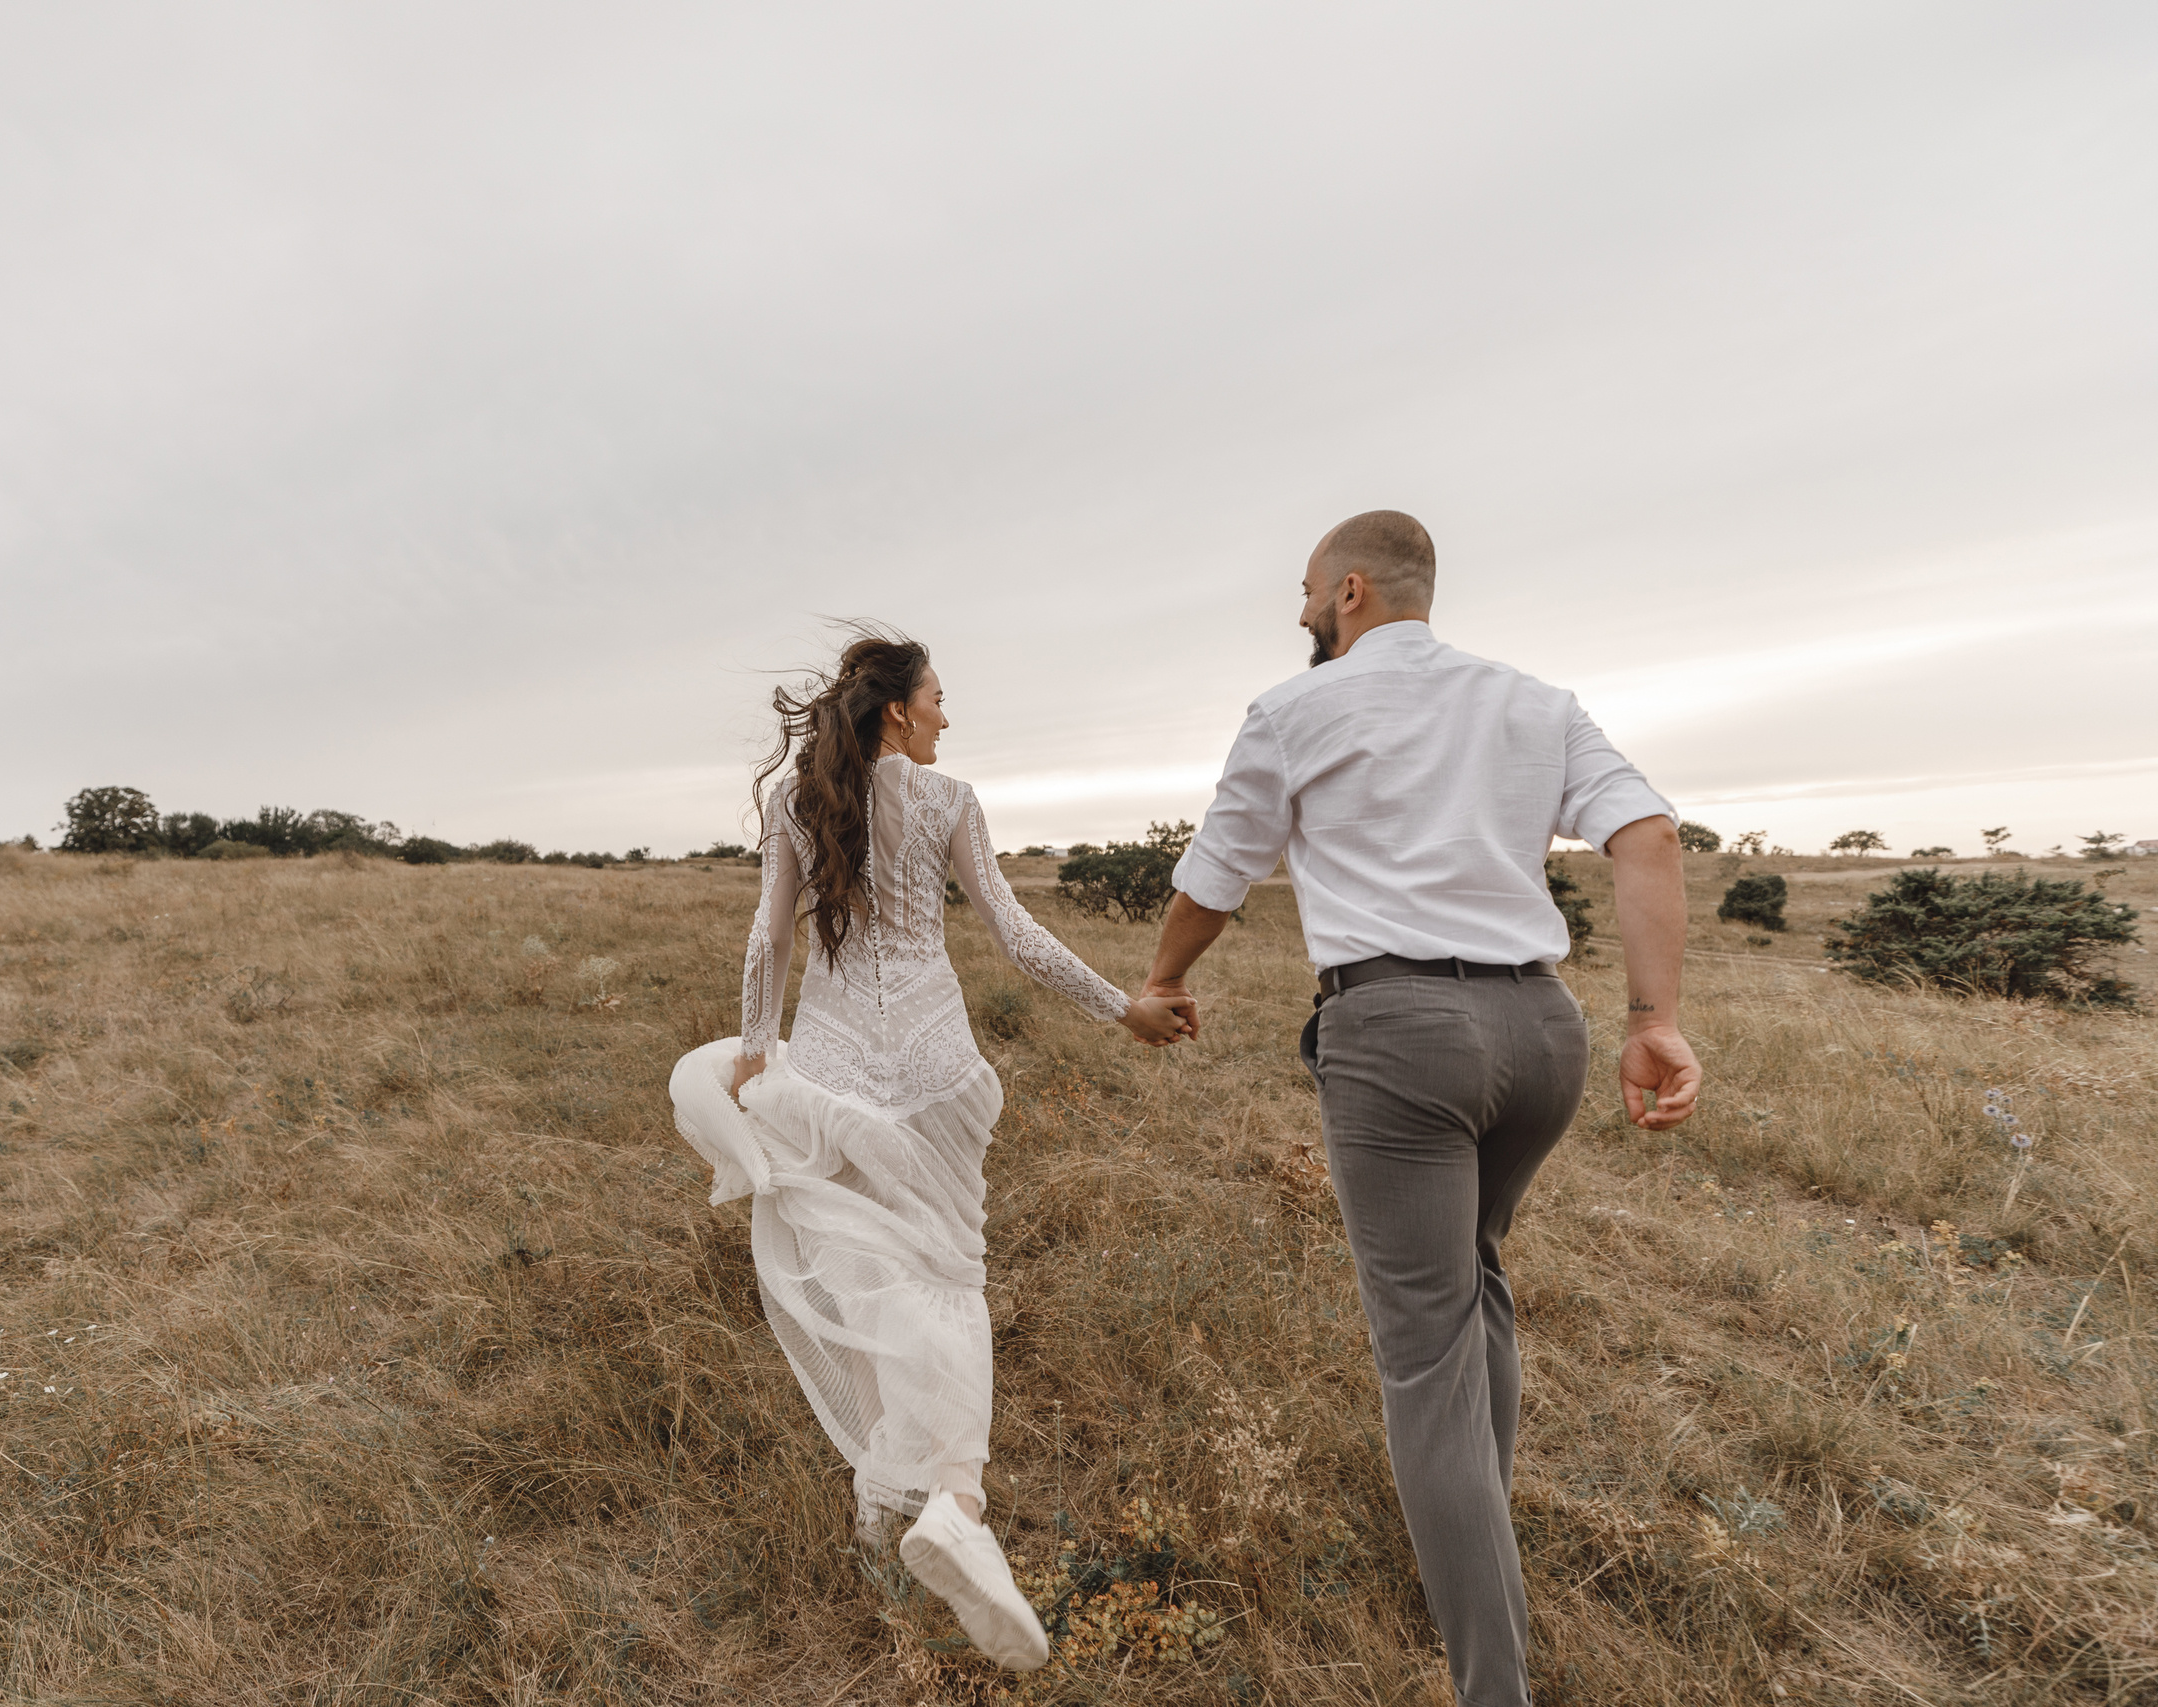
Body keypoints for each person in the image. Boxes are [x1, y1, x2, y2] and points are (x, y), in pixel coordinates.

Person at [1138, 512, 1701, 1707]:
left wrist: (1165, 978)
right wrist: (1654, 1019)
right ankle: (1471, 1547)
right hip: (1542, 1032)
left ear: (1349, 591)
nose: (1295, 616)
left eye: (1301, 594)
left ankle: (1490, 1686)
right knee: (1475, 1280)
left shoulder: (1293, 711)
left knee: (1423, 1351)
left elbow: (1216, 874)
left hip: (1397, 1035)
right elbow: (1646, 835)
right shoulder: (1536, 703)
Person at [669, 629, 1194, 1673]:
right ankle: (953, 1499)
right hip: (937, 1075)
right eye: (940, 698)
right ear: (901, 711)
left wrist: (758, 1053)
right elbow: (1016, 937)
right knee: (950, 1277)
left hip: (827, 1075)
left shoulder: (797, 804)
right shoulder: (951, 802)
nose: (949, 716)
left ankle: (883, 1508)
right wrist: (1122, 1009)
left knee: (866, 1281)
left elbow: (766, 942)